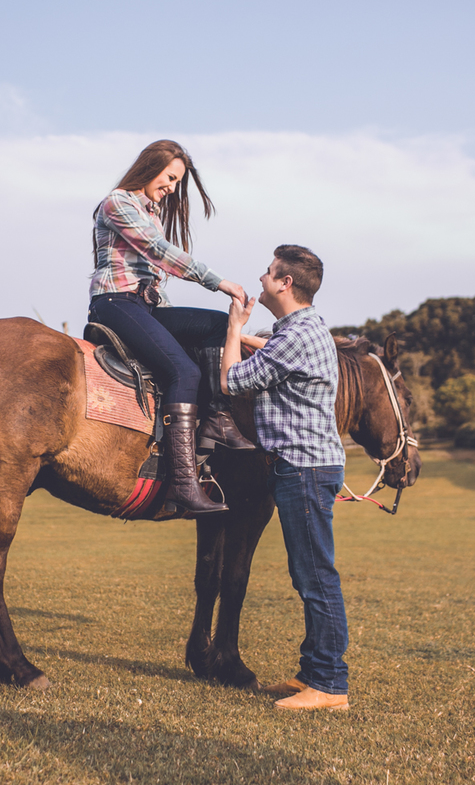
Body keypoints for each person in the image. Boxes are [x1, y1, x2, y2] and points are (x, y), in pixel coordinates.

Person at [88, 139, 255, 515]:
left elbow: (155, 283)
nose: (172, 188)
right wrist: (218, 281)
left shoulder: (152, 213)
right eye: (169, 178)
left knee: (215, 324)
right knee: (182, 369)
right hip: (114, 303)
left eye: (177, 182)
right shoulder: (119, 202)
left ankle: (217, 418)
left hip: (144, 307)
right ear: (149, 169)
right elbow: (159, 253)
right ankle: (184, 485)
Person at [220, 244, 350, 710]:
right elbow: (274, 353)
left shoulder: (296, 336)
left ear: (285, 283)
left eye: (267, 272)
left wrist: (234, 329)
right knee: (308, 574)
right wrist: (252, 339)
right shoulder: (301, 331)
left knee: (316, 578)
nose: (260, 278)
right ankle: (312, 674)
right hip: (304, 466)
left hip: (304, 469)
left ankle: (330, 686)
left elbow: (231, 382)